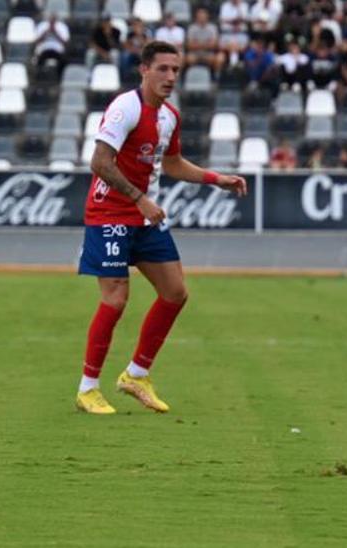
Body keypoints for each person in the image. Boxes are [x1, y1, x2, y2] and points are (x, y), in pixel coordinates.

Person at [74, 41, 248, 415]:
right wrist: (139, 198)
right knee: (116, 298)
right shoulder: (126, 107)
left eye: (175, 70)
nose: (170, 77)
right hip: (110, 213)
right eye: (163, 69)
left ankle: (136, 374)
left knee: (175, 292)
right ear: (144, 69)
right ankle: (88, 388)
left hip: (143, 214)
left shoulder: (169, 116)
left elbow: (172, 164)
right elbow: (100, 162)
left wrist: (216, 178)